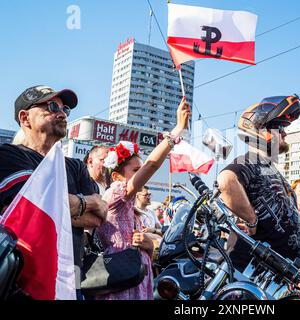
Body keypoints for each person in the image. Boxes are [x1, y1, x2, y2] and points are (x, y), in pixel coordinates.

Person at [0, 85, 108, 299]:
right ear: (25, 118)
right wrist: (89, 202)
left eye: (65, 109)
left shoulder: (75, 166)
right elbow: (30, 206)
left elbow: (98, 218)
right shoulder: (9, 155)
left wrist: (70, 207)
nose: (62, 113)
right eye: (52, 106)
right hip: (23, 280)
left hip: (71, 274)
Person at [95, 97, 190, 300]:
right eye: (135, 170)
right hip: (121, 278)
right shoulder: (115, 193)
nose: (141, 175)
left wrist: (147, 245)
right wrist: (177, 130)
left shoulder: (129, 203)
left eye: (140, 169)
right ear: (116, 176)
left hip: (134, 276)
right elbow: (152, 165)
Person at [218, 95, 300, 272]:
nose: (284, 133)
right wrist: (251, 220)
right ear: (260, 130)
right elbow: (226, 180)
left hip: (276, 276)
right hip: (249, 271)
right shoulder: (250, 161)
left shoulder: (270, 169)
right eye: (280, 128)